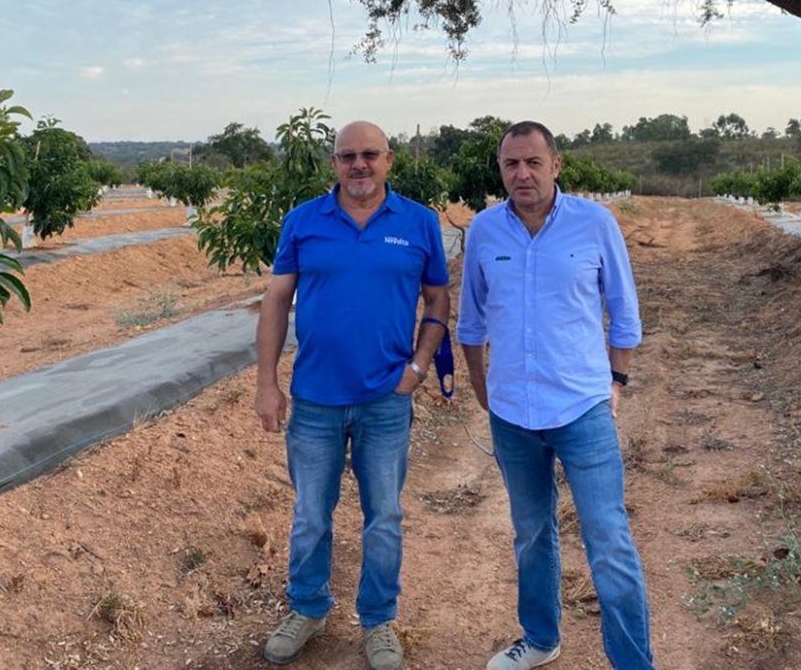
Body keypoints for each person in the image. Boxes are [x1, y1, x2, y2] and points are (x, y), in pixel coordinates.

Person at [456, 121, 654, 670]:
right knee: (531, 532)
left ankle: (633, 662)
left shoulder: (595, 224)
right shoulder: (484, 231)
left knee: (608, 540)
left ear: (556, 165)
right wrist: (482, 387)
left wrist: (616, 382)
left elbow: (625, 312)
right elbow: (470, 321)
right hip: (513, 415)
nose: (521, 174)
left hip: (582, 408)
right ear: (501, 171)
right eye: (510, 165)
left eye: (532, 163)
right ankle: (541, 638)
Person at [255, 120, 450, 670]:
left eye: (369, 155)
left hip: (386, 400)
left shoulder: (418, 223)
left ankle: (379, 620)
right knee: (311, 513)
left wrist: (418, 367)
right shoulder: (303, 221)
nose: (359, 165)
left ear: (389, 159)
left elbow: (438, 300)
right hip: (314, 399)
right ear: (333, 162)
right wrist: (266, 383)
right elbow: (275, 303)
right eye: (348, 156)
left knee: (383, 515)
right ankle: (308, 608)